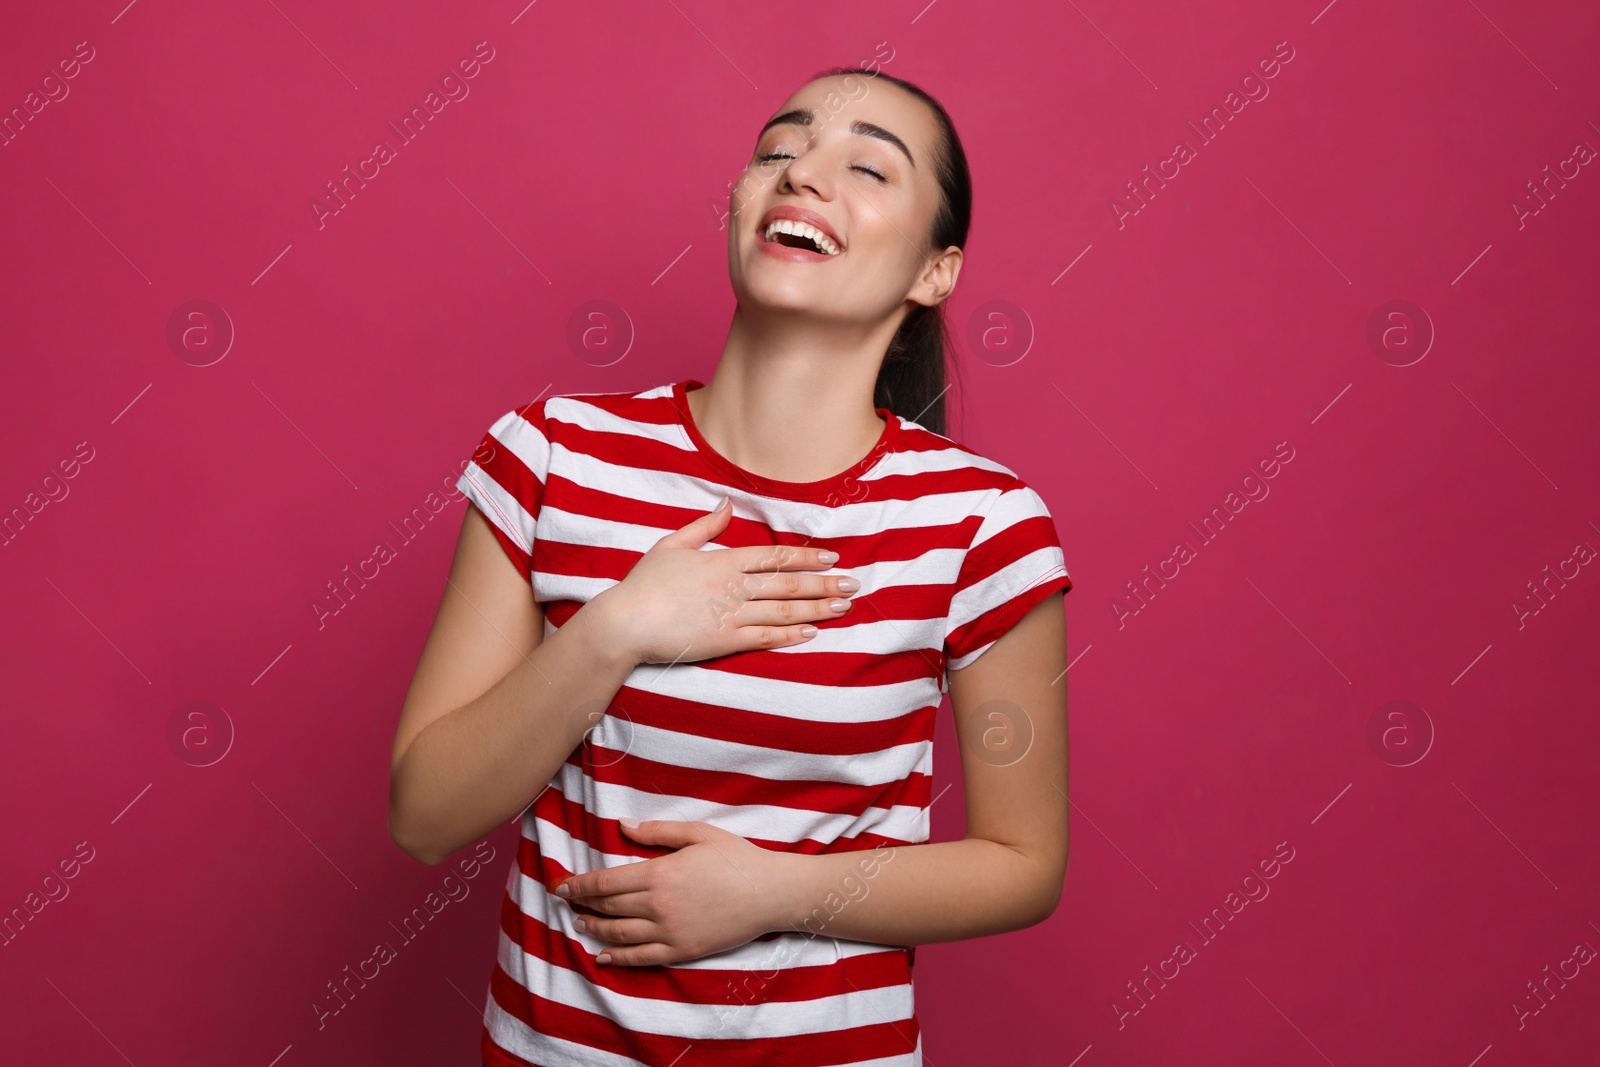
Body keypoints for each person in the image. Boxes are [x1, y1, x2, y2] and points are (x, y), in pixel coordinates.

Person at [390, 65, 1074, 1067]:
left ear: (936, 270)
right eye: (778, 151)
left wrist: (779, 891)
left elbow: (1024, 864)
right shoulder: (551, 457)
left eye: (868, 169)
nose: (803, 177)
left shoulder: (980, 522)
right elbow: (424, 814)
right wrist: (619, 625)